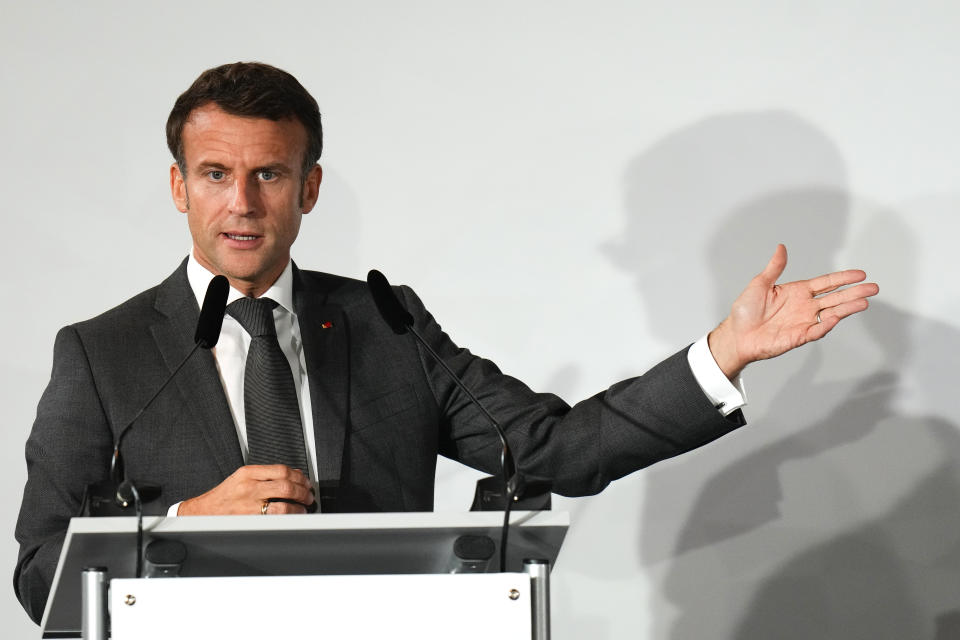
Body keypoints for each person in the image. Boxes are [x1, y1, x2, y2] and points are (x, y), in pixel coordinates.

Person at [13, 62, 879, 624]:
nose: (241, 201)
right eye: (215, 174)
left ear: (308, 189)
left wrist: (723, 351)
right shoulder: (103, 353)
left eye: (268, 173)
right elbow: (39, 572)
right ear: (179, 187)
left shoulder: (387, 325)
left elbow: (554, 450)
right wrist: (182, 524)